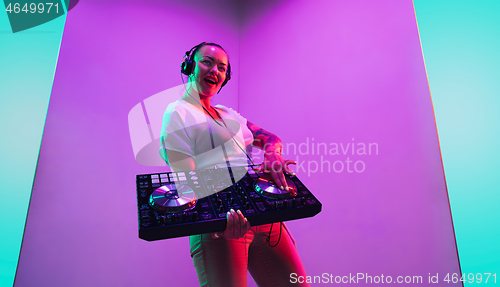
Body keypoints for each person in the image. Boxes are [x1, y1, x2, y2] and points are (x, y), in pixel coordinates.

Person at [159, 42, 310, 287]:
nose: (215, 71)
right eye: (207, 62)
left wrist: (272, 154)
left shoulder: (228, 113)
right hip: (223, 226)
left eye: (222, 67)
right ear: (189, 66)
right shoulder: (177, 112)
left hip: (265, 218)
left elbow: (270, 138)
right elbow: (186, 179)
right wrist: (215, 220)